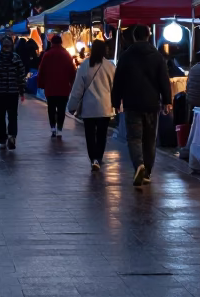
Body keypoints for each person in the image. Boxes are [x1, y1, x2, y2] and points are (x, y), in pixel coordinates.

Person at [111, 25, 172, 187]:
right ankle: (148, 172)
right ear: (148, 36)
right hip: (152, 104)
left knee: (134, 137)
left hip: (132, 103)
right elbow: (163, 80)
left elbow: (118, 81)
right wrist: (167, 100)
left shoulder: (126, 56)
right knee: (150, 139)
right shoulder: (157, 56)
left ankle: (139, 164)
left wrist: (116, 102)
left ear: (134, 37)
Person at [67, 39, 116, 170]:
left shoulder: (85, 66)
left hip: (88, 109)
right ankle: (98, 158)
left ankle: (93, 158)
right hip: (105, 107)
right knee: (102, 134)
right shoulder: (110, 66)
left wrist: (71, 106)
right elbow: (115, 88)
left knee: (89, 135)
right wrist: (118, 106)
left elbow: (77, 89)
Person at [0, 36, 27, 149]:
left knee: (0, 116)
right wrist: (22, 90)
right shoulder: (16, 58)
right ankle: (12, 135)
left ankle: (2, 139)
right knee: (13, 116)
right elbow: (21, 76)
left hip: (0, 93)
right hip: (13, 93)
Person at [37, 35, 77, 138]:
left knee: (51, 108)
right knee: (61, 109)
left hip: (50, 88)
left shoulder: (47, 54)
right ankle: (59, 128)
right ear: (61, 43)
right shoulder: (66, 54)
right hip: (64, 88)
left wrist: (41, 84)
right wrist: (72, 83)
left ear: (52, 43)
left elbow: (41, 71)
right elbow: (72, 71)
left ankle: (53, 128)